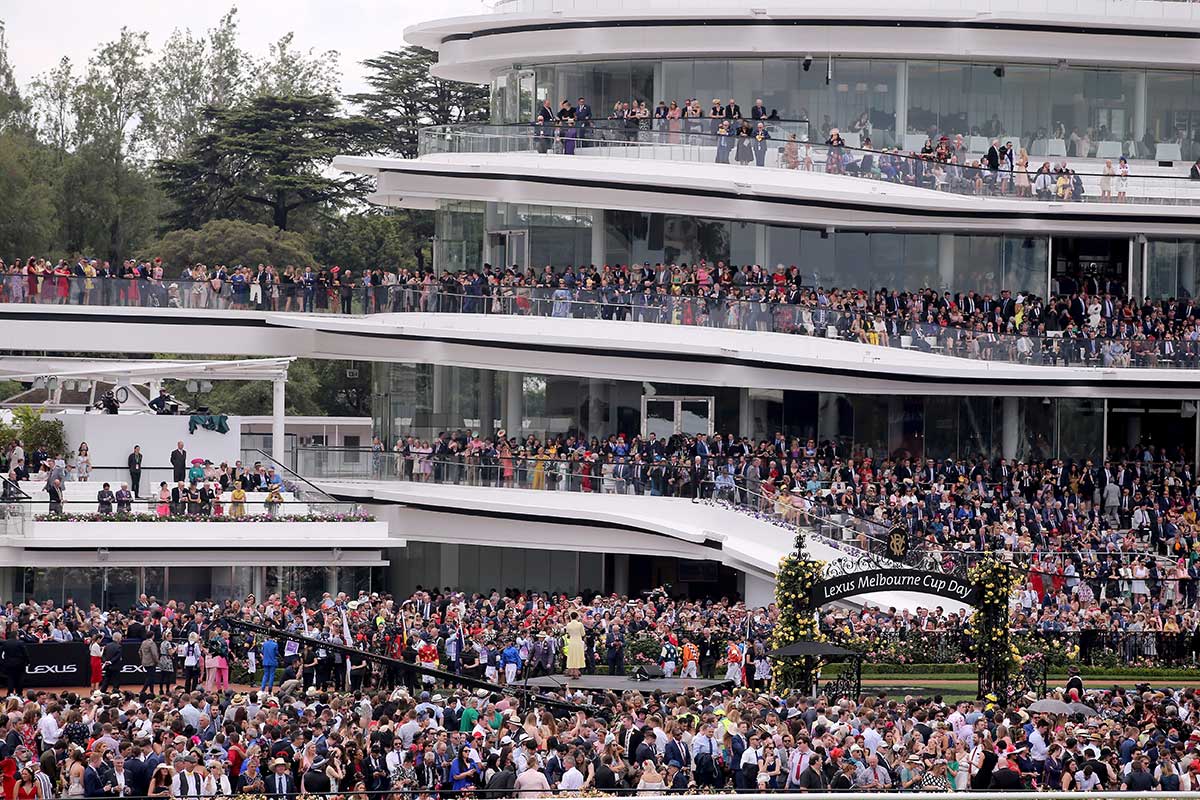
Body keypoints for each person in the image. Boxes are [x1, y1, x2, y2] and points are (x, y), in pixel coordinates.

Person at [0, 623, 29, 697]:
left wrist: (3, 662)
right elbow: (25, 654)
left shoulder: (5, 643)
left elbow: (1, 653)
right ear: (16, 636)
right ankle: (19, 693)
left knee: (10, 678)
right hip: (20, 664)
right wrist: (28, 662)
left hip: (9, 664)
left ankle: (10, 693)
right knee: (20, 679)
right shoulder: (21, 643)